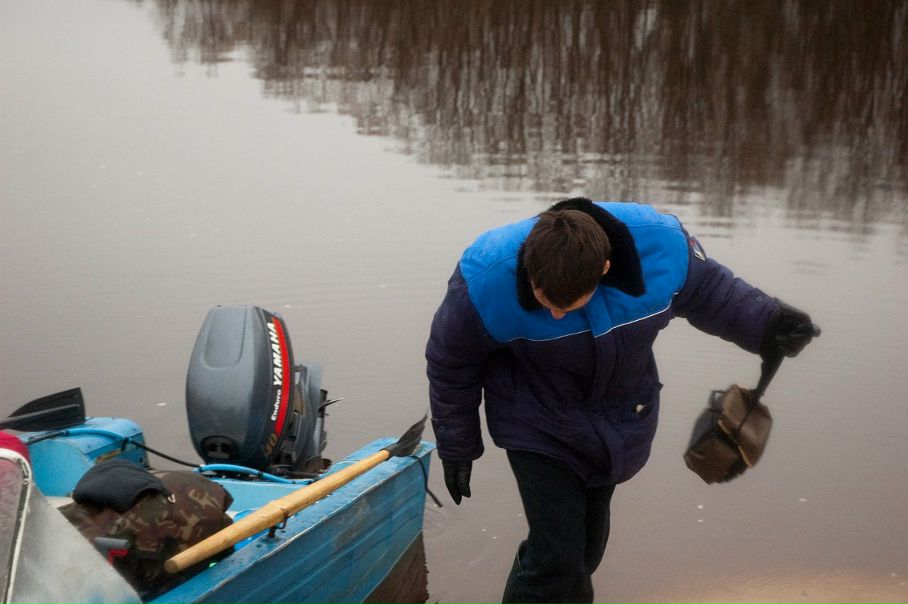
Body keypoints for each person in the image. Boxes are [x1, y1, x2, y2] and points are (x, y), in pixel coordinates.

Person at [425, 198, 817, 604]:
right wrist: (457, 446)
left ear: (604, 269)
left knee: (586, 551)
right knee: (557, 558)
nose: (555, 314)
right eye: (545, 299)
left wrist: (771, 324)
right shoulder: (487, 280)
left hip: (618, 420)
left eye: (567, 304)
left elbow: (711, 292)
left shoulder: (661, 247)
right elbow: (451, 361)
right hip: (536, 420)